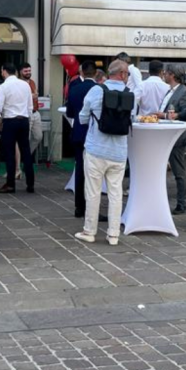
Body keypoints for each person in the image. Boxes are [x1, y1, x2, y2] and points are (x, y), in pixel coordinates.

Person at [75, 59, 132, 246]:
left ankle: (89, 231)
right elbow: (131, 118)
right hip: (119, 152)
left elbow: (82, 117)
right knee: (116, 193)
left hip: (96, 149)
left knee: (93, 192)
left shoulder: (96, 90)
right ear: (122, 74)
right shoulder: (129, 93)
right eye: (127, 73)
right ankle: (113, 234)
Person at [158, 64, 186, 216]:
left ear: (172, 75)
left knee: (178, 171)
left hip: (177, 137)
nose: (164, 75)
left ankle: (181, 203)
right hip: (166, 135)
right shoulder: (170, 91)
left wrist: (164, 115)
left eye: (166, 73)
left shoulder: (184, 92)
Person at [0, 62, 35, 194]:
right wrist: (28, 118)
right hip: (24, 120)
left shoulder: (4, 86)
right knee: (26, 152)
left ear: (4, 71)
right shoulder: (25, 85)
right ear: (16, 72)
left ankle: (10, 184)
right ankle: (30, 183)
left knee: (9, 153)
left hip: (10, 121)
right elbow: (30, 106)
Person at [66, 60, 97, 218]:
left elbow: (70, 113)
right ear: (96, 73)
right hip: (95, 135)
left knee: (80, 169)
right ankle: (93, 207)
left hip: (79, 133)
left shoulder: (75, 89)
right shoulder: (100, 89)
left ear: (82, 72)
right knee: (95, 172)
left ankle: (79, 207)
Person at [20, 62, 43, 158]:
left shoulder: (32, 82)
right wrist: (31, 96)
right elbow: (18, 99)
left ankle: (26, 156)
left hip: (35, 112)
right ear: (21, 72)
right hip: (25, 113)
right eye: (25, 71)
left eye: (29, 70)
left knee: (38, 137)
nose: (28, 73)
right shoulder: (19, 83)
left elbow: (35, 95)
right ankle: (23, 158)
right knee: (26, 138)